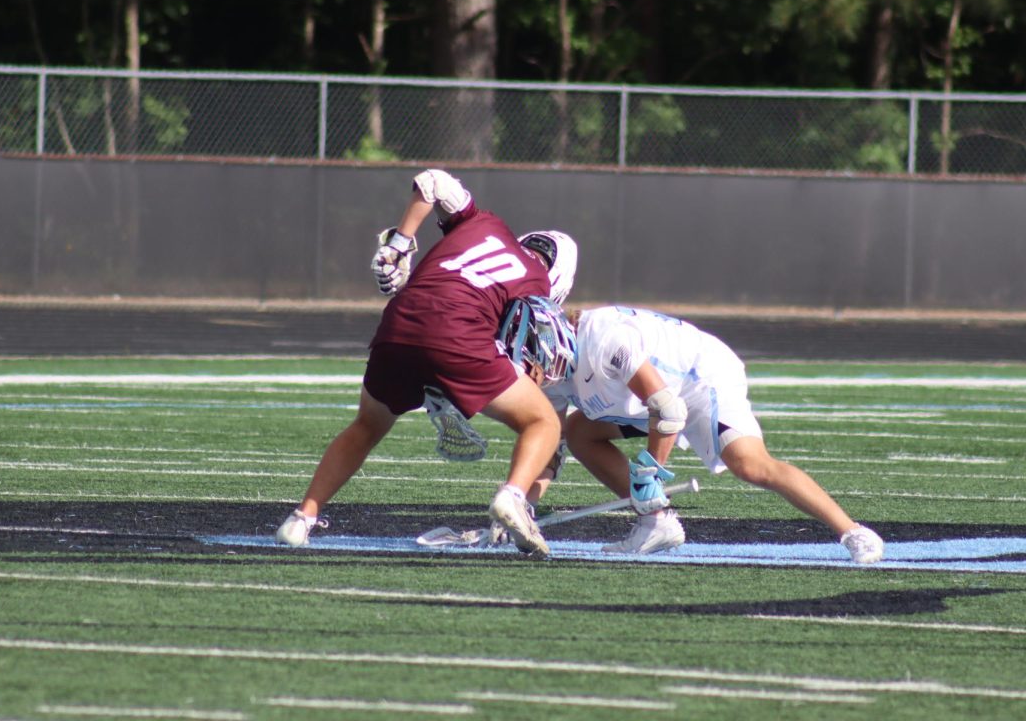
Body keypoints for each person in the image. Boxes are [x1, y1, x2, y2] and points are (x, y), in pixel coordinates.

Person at [275, 168, 578, 558]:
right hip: (456, 333)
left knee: (367, 425)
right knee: (543, 422)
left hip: (398, 322)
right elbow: (503, 351)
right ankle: (513, 497)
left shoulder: (484, 223)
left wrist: (399, 244)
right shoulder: (536, 282)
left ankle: (301, 519)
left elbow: (432, 179)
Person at [533, 305, 884, 563]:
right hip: (655, 394)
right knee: (579, 432)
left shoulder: (604, 338)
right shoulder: (551, 370)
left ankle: (853, 531)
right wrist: (523, 506)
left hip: (699, 377)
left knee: (749, 464)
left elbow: (668, 409)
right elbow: (550, 448)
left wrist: (649, 472)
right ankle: (656, 523)